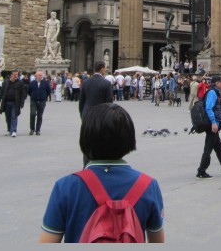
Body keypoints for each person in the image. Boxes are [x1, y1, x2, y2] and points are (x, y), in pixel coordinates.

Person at [39, 103, 165, 243]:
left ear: (85, 138)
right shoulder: (148, 185)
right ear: (129, 138)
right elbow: (157, 240)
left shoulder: (66, 187)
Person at [195, 75, 221, 179]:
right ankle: (201, 171)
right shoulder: (212, 93)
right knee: (208, 149)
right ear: (217, 83)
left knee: (218, 148)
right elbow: (209, 108)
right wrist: (214, 123)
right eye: (220, 82)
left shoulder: (213, 92)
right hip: (212, 125)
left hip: (215, 125)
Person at [0, 71, 27, 137]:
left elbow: (23, 94)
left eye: (17, 75)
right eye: (15, 75)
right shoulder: (6, 82)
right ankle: (9, 129)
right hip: (6, 102)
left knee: (14, 116)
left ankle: (13, 131)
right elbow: (1, 92)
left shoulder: (20, 83)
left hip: (15, 103)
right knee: (8, 117)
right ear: (11, 75)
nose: (16, 76)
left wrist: (22, 103)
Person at [28, 70, 51, 135]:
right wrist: (33, 96)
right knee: (32, 114)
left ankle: (38, 130)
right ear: (36, 76)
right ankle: (32, 129)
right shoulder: (32, 83)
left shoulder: (45, 83)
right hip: (34, 101)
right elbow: (29, 91)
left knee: (39, 115)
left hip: (42, 101)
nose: (41, 76)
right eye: (39, 75)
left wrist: (44, 97)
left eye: (41, 75)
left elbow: (48, 91)